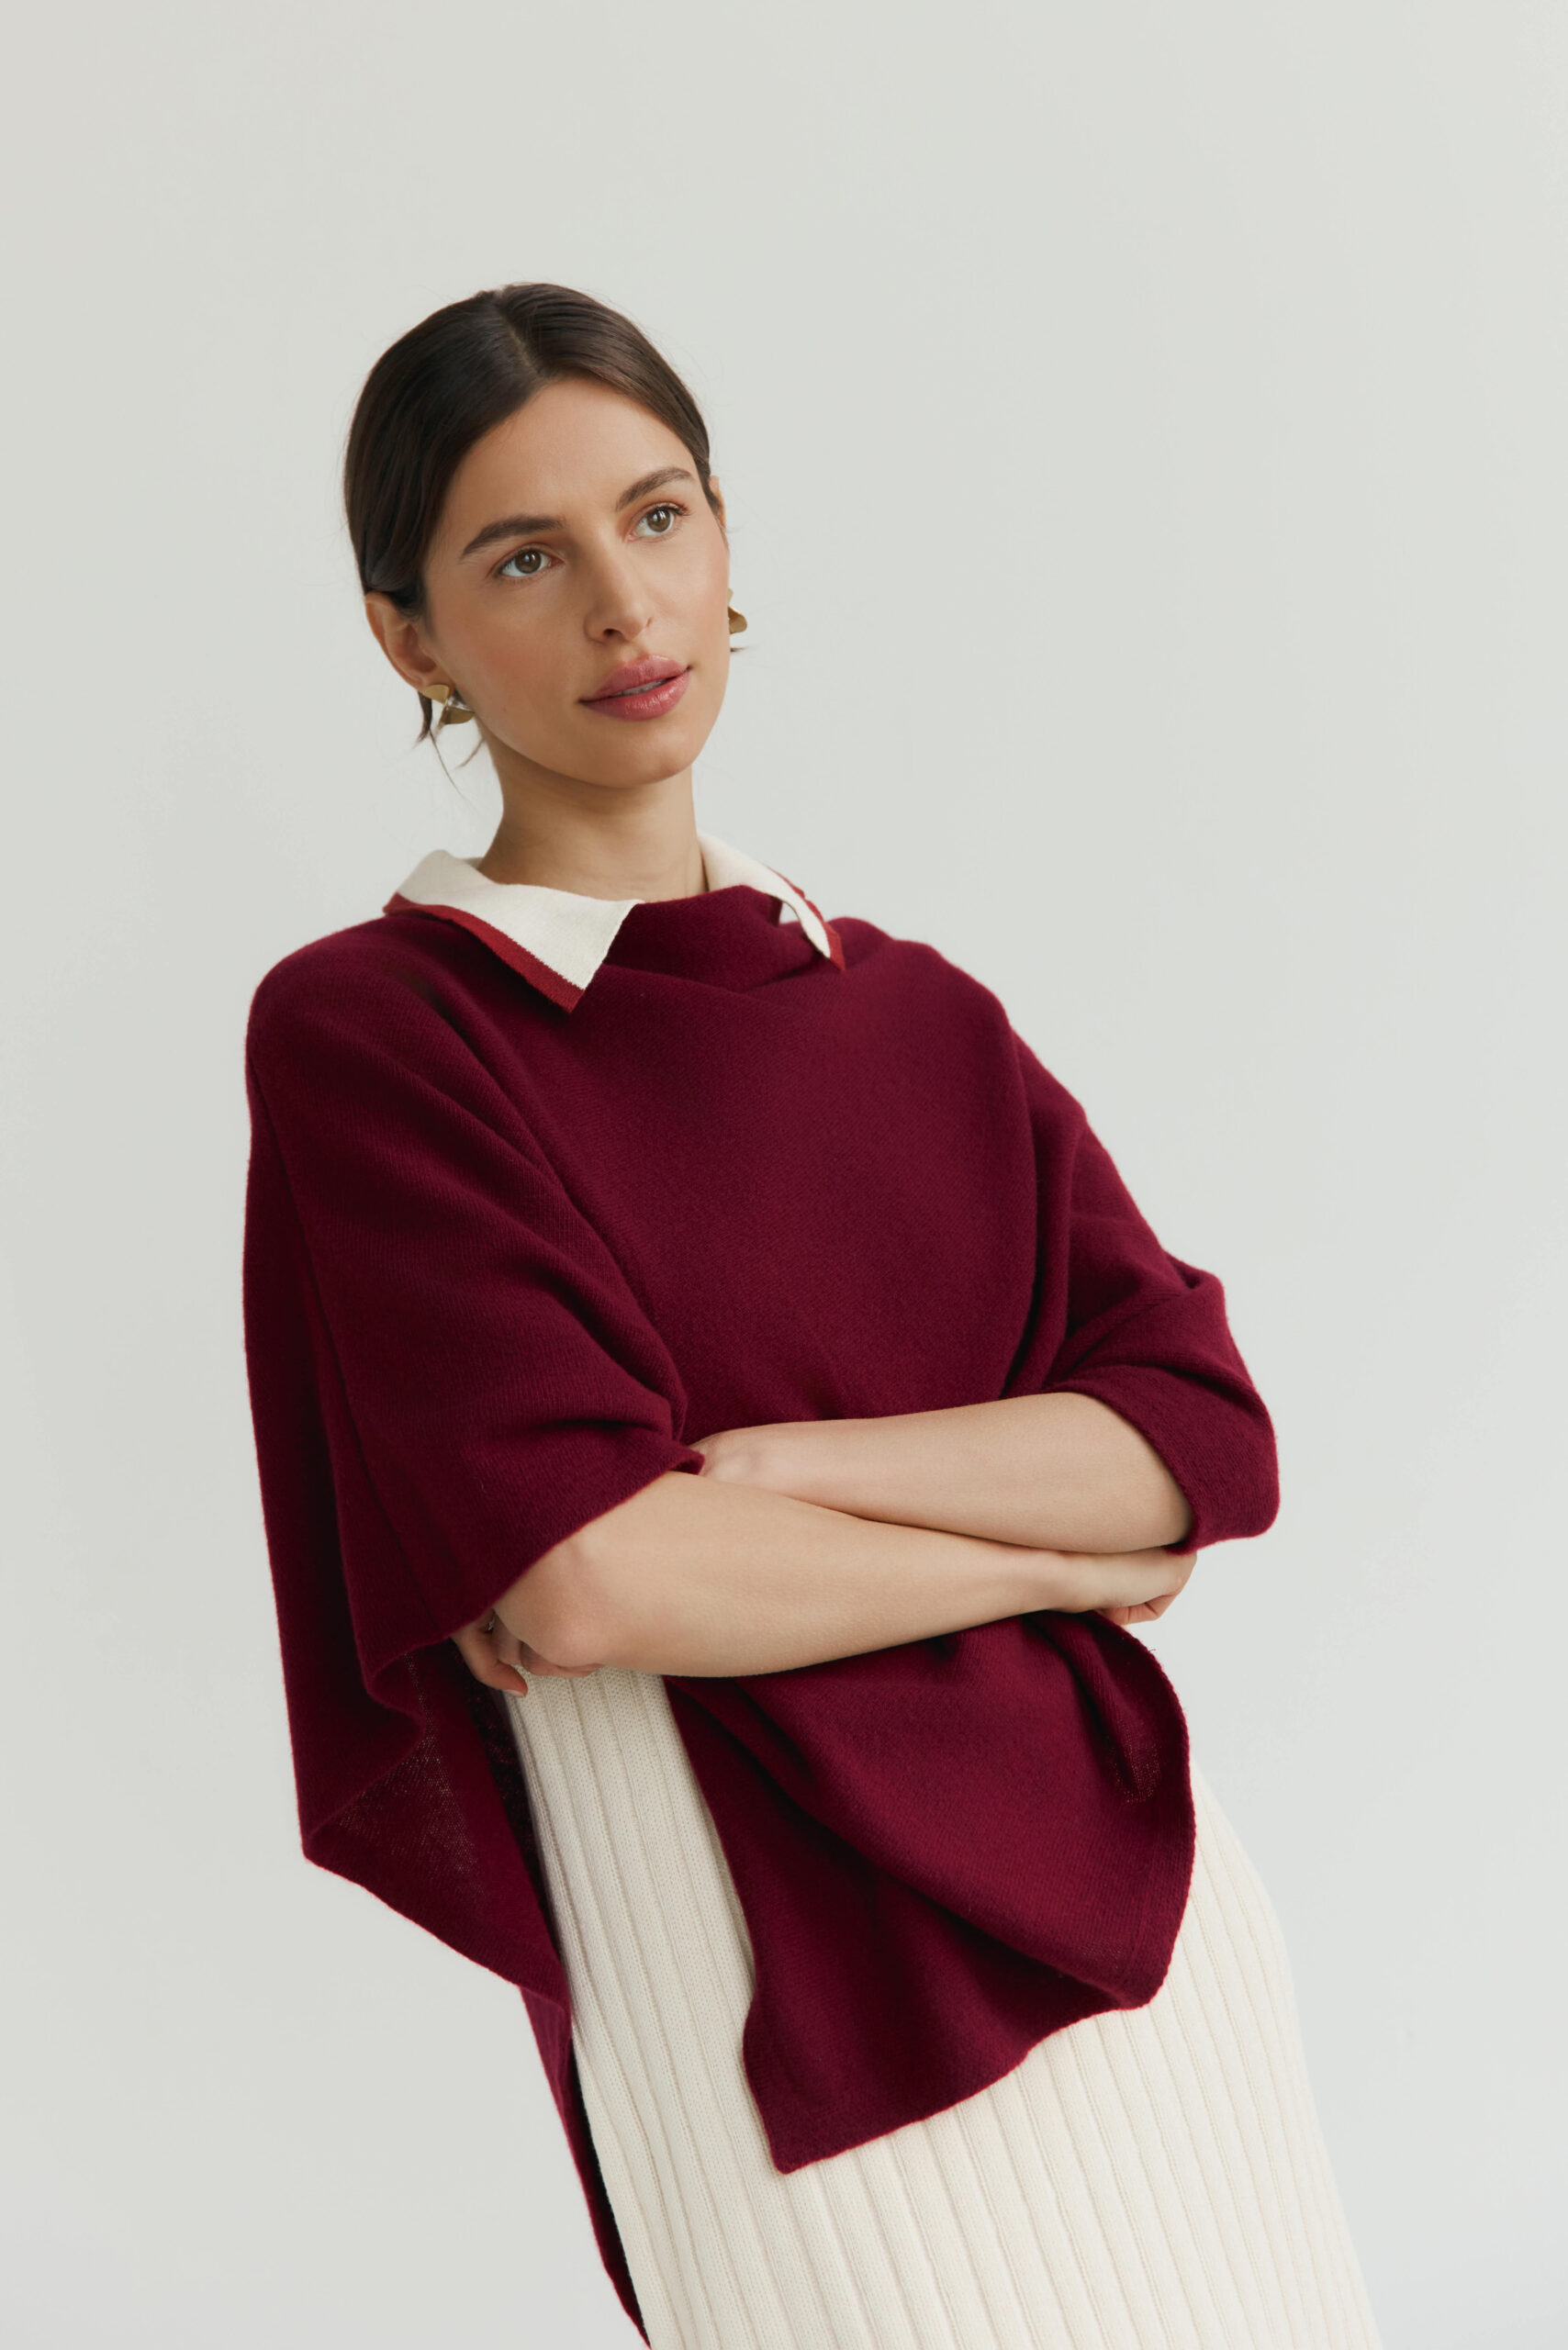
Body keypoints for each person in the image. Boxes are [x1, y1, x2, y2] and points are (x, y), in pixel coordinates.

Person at [242, 282, 1383, 2350]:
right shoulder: (385, 1029)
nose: (624, 604)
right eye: (525, 557)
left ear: (722, 538)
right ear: (410, 638)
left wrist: (784, 1478)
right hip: (765, 1991)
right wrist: (1050, 1556)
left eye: (657, 515)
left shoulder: (915, 1014)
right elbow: (592, 1578)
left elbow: (1200, 1441)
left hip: (1154, 1941)